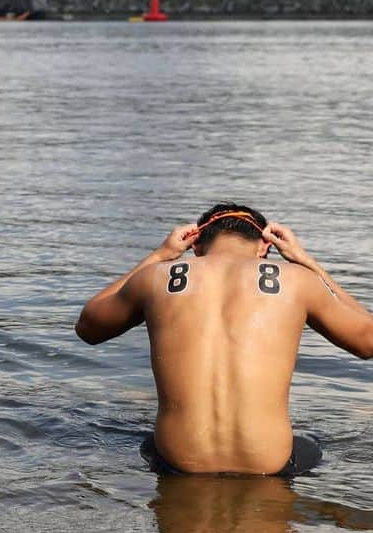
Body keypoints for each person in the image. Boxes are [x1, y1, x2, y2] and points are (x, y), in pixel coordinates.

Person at [76, 202, 373, 475]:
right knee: (311, 442)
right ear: (264, 248)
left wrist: (160, 255)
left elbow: (88, 328)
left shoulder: (156, 276)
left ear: (196, 246)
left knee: (145, 441)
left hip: (180, 461)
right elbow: (367, 341)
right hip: (267, 463)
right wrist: (306, 260)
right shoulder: (298, 279)